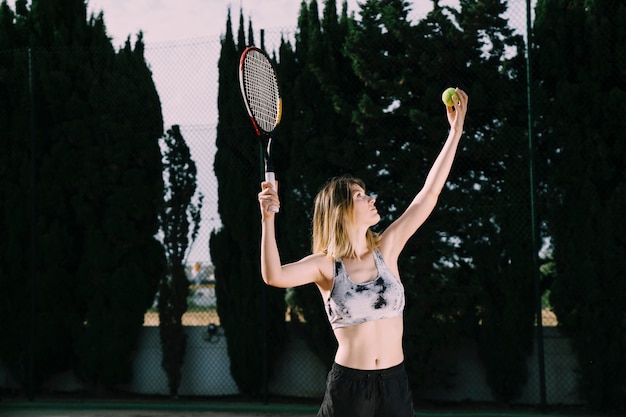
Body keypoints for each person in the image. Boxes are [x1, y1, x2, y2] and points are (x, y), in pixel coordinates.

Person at [258, 88, 469, 417]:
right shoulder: (327, 266)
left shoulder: (387, 248)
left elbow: (429, 194)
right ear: (341, 211)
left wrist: (454, 133)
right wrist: (267, 220)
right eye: (360, 196)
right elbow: (274, 276)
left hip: (395, 385)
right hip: (349, 389)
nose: (371, 199)